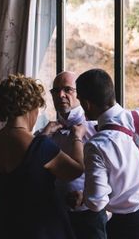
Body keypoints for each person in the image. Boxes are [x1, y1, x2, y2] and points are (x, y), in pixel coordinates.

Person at [0, 73, 85, 238]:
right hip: (39, 228)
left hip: (0, 226)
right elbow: (76, 170)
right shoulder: (40, 146)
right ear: (30, 107)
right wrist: (78, 137)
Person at [76, 68, 139, 239]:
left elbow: (96, 202)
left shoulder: (97, 146)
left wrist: (83, 197)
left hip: (131, 225)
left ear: (86, 103)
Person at [39, 71, 107, 238]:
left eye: (67, 89)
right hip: (55, 216)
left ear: (80, 94)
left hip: (90, 217)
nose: (61, 95)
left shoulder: (98, 130)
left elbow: (115, 174)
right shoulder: (46, 133)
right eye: (56, 91)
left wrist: (86, 196)